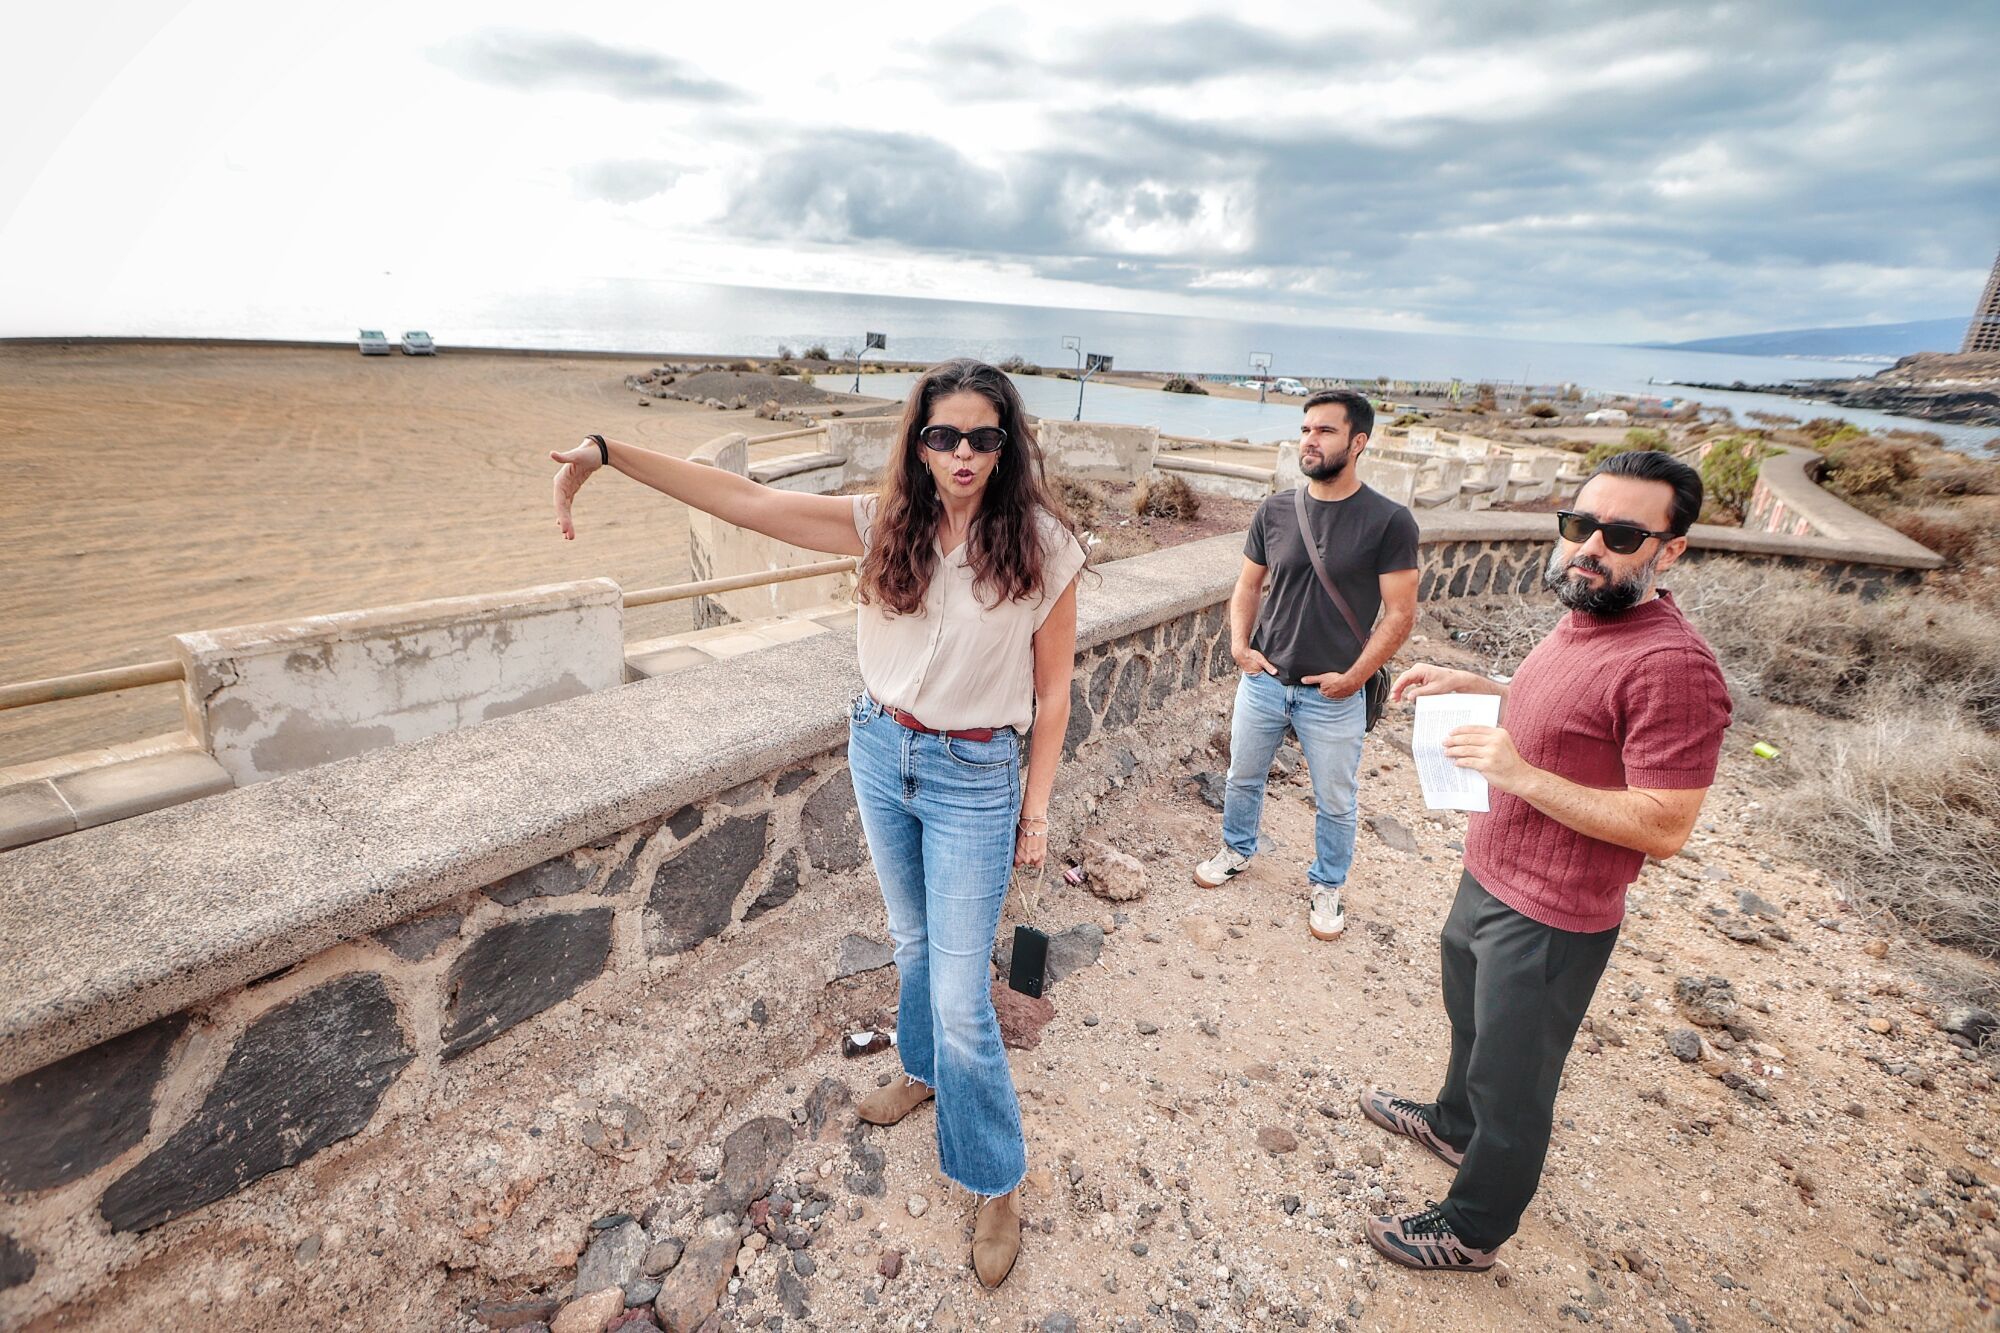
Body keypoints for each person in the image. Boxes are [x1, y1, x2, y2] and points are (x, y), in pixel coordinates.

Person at [549, 359, 1086, 1289]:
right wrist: (609, 451)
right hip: (881, 747)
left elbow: (1054, 691)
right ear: (919, 443)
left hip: (974, 775)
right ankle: (923, 1069)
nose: (963, 454)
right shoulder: (883, 523)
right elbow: (747, 502)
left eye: (983, 437)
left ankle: (995, 1175)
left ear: (1007, 445)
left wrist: (1035, 809)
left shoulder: (1044, 544)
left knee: (963, 991)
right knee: (911, 941)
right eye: (944, 436)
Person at [1359, 449, 1731, 1272]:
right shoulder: (1589, 613)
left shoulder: (1674, 666)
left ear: (1670, 550)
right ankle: (1451, 1127)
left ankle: (1473, 1228)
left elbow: (1666, 824)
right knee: (1473, 1027)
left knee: (1514, 1083)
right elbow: (1568, 706)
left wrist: (1522, 775)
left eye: (1622, 534)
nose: (1590, 546)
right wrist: (1478, 682)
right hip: (1492, 872)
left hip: (1554, 913)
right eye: (1580, 525)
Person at [1191, 388, 1419, 941]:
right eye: (1306, 429)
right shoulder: (1275, 510)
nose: (1310, 441)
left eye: (1325, 431)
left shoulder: (1389, 521)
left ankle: (1328, 885)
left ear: (1358, 442)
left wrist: (1355, 678)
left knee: (1336, 800)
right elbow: (1248, 585)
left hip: (1334, 693)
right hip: (1265, 681)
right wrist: (1240, 646)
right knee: (1242, 776)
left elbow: (1400, 614)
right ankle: (1236, 850)